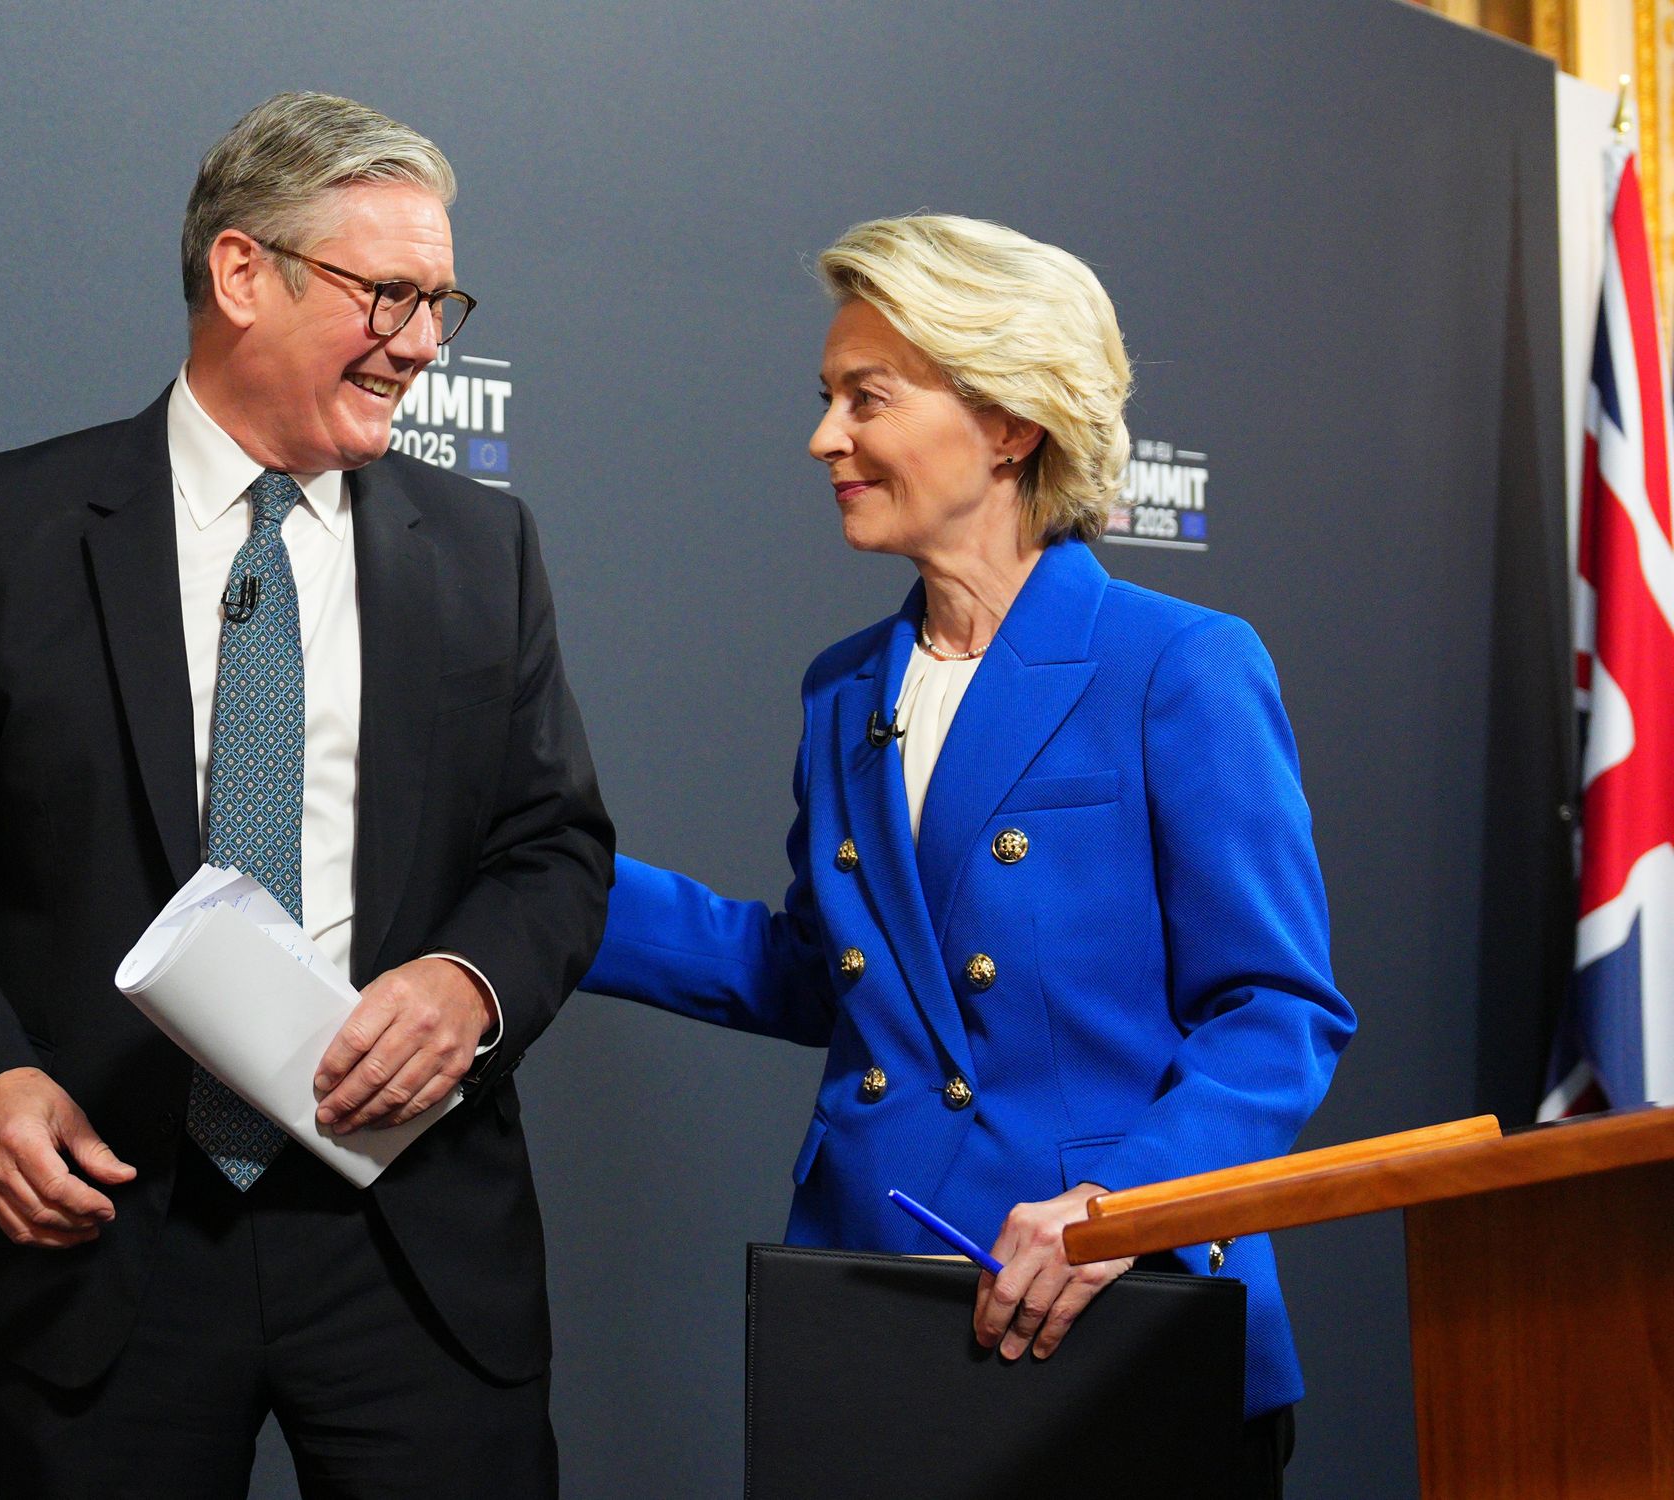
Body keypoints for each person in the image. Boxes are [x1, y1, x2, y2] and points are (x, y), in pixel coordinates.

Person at [0, 92, 611, 1500]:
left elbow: (554, 846)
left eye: (443, 302)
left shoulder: (485, 548)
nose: (425, 343)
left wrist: (471, 985)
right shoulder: (4, 530)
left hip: (413, 1250)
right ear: (245, 273)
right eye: (390, 294)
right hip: (109, 1240)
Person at [578, 213, 1354, 1496]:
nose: (823, 438)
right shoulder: (843, 692)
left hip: (1114, 1315)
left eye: (863, 398)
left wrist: (1124, 1209)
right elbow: (823, 973)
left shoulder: (1178, 665)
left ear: (1006, 422)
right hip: (874, 1306)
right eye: (826, 398)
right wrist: (553, 892)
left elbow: (1276, 1012)